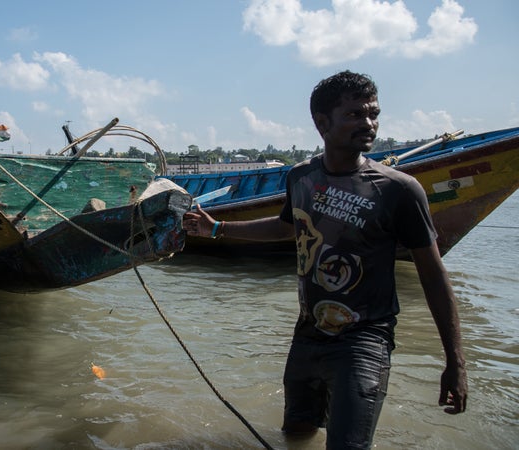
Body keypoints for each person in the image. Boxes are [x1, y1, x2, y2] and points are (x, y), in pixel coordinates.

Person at [183, 70, 467, 449]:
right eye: (354, 115)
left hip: (364, 341)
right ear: (322, 123)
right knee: (296, 436)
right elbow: (288, 226)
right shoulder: (302, 176)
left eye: (373, 114)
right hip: (308, 335)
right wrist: (217, 228)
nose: (368, 124)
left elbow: (433, 274)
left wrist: (456, 362)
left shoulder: (399, 190)